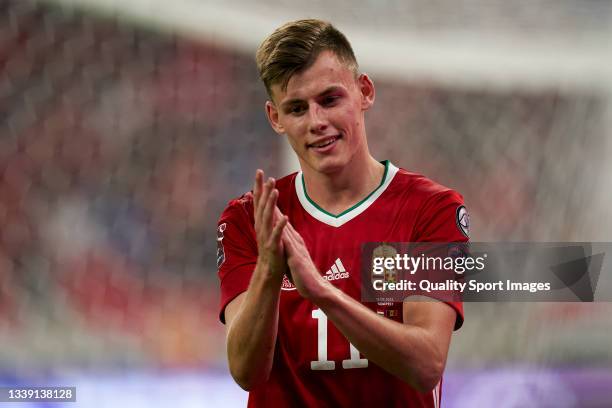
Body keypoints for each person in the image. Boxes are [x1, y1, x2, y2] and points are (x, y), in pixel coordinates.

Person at [217, 19, 469, 407]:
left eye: (330, 100)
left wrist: (322, 293)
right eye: (297, 108)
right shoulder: (250, 219)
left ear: (364, 91)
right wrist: (269, 270)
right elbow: (246, 372)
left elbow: (426, 363)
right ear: (275, 118)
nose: (316, 122)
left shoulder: (430, 209)